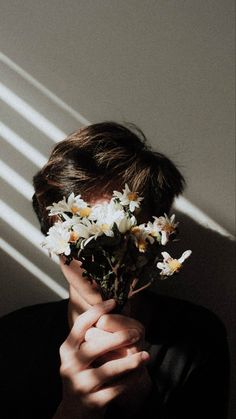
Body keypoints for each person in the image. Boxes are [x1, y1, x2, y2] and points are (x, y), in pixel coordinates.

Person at [0, 122, 230, 419]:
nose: (104, 256)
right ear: (52, 238)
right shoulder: (12, 340)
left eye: (124, 235)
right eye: (80, 236)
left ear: (156, 235)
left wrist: (142, 402)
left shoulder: (196, 337)